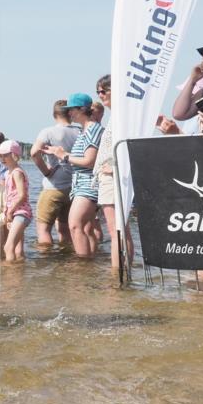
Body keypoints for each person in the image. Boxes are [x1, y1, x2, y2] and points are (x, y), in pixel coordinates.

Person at [46, 93, 103, 258]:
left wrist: (63, 155)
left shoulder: (92, 130)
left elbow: (90, 161)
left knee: (75, 226)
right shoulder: (85, 130)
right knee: (86, 228)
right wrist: (59, 153)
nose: (69, 113)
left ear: (83, 109)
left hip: (88, 184)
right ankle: (90, 263)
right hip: (82, 184)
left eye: (71, 109)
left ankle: (82, 266)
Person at [92, 76, 135, 270]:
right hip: (111, 177)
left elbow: (129, 144)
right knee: (120, 230)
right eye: (98, 92)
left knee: (116, 231)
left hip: (113, 177)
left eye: (103, 91)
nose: (100, 96)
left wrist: (116, 167)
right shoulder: (118, 116)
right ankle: (123, 275)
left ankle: (117, 279)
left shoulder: (121, 116)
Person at [30, 101, 81, 246]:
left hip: (53, 187)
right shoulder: (80, 131)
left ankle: (46, 262)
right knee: (65, 229)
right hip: (73, 189)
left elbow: (34, 153)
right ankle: (65, 261)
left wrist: (46, 171)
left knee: (43, 230)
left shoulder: (48, 132)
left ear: (54, 114)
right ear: (70, 113)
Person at [0, 140, 32, 261]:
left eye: (6, 155)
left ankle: (9, 273)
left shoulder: (17, 172)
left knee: (8, 247)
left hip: (21, 213)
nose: (2, 158)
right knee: (18, 249)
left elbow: (22, 195)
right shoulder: (8, 173)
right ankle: (19, 273)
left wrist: (10, 212)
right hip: (15, 213)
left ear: (15, 156)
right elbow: (8, 195)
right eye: (0, 156)